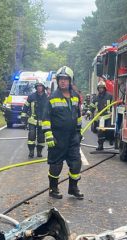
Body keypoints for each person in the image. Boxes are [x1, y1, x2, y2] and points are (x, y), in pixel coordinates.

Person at [41, 66, 83, 200]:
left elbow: (78, 116)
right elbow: (46, 118)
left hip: (72, 138)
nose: (63, 81)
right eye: (61, 79)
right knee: (56, 165)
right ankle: (53, 189)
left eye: (66, 79)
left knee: (76, 163)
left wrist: (79, 132)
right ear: (58, 81)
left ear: (70, 81)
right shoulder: (52, 97)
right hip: (57, 138)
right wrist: (49, 136)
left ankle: (73, 188)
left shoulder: (75, 97)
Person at [24, 81, 48, 158]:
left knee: (41, 137)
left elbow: (50, 109)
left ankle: (39, 152)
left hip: (42, 121)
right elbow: (25, 106)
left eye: (40, 86)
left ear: (43, 87)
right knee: (31, 136)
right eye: (37, 86)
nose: (39, 87)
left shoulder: (47, 97)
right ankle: (31, 151)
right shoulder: (31, 97)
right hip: (32, 120)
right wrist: (23, 116)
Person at [92, 80, 114, 151]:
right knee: (100, 132)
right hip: (101, 118)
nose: (101, 89)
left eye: (102, 87)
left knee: (110, 129)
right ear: (98, 89)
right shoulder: (96, 98)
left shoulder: (109, 96)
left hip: (108, 116)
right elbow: (92, 106)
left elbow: (114, 105)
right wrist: (88, 112)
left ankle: (111, 139)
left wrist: (112, 113)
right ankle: (100, 145)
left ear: (104, 88)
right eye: (99, 88)